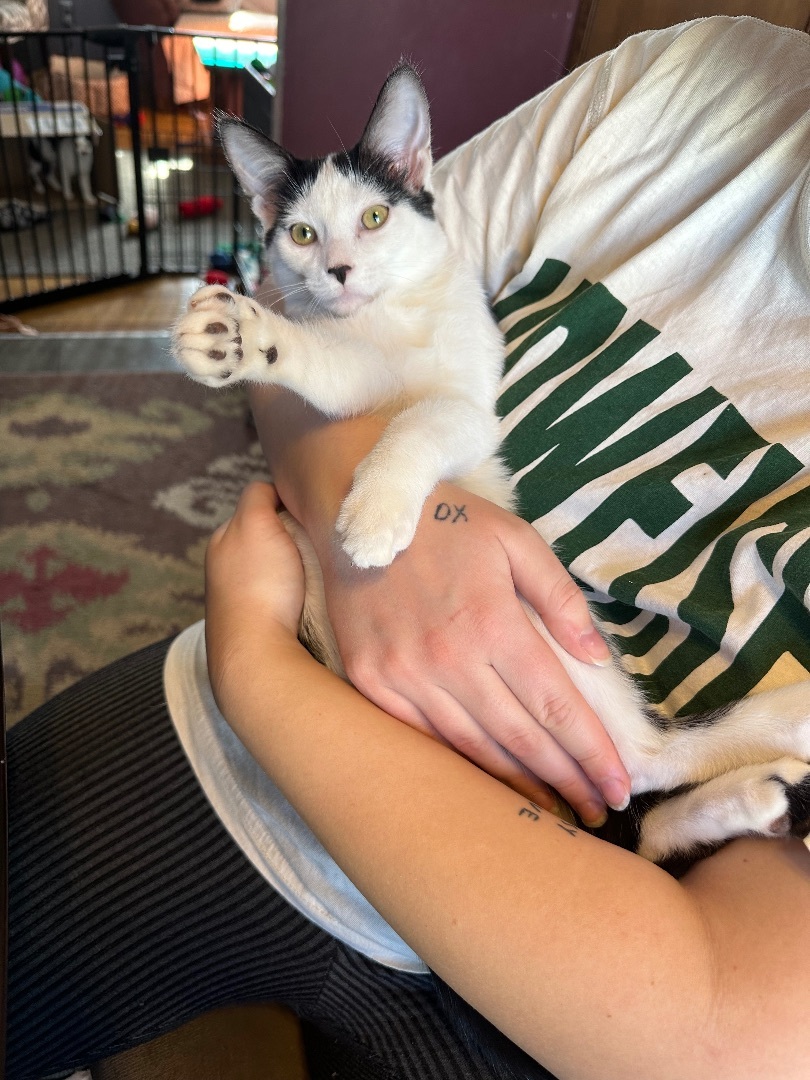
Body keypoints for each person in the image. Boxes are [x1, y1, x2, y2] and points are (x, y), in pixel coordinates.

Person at [7, 15, 810, 1080]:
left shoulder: (437, 289)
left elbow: (731, 1031)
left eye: (367, 225)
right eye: (301, 237)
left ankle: (662, 781)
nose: (338, 262)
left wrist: (259, 669)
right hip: (248, 750)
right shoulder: (683, 78)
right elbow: (307, 366)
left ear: (412, 184)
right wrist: (344, 496)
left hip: (540, 936)